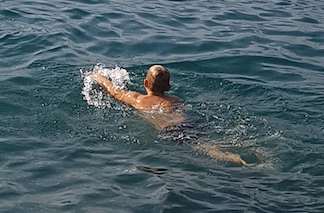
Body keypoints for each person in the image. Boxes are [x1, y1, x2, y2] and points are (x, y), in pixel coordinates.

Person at [91, 65, 247, 162]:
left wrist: (98, 76)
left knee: (204, 148)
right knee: (207, 141)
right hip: (190, 124)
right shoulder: (175, 100)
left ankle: (234, 159)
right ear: (168, 87)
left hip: (171, 131)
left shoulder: (137, 99)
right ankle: (249, 148)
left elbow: (113, 91)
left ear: (145, 83)